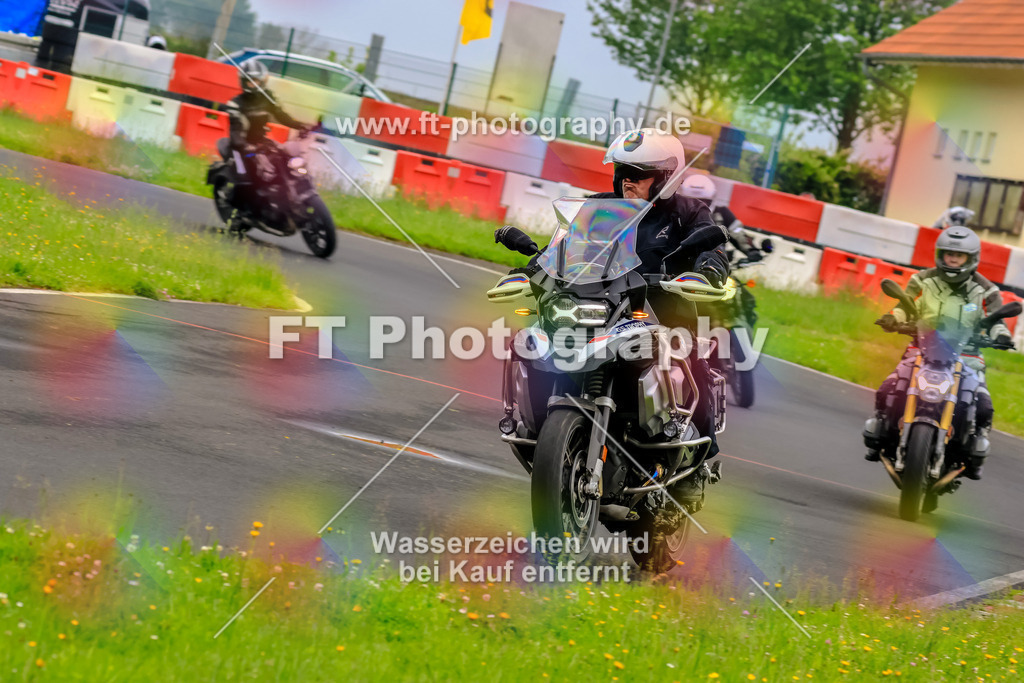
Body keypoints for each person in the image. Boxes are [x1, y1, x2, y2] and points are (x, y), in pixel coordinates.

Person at [863, 226, 1012, 480]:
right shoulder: (923, 280)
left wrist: (1001, 335)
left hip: (967, 356)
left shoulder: (986, 290)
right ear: (939, 254)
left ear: (971, 258)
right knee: (888, 387)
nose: (953, 259)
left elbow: (996, 319)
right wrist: (892, 317)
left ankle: (976, 452)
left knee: (984, 405)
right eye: (948, 253)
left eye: (959, 255)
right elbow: (905, 305)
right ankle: (879, 433)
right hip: (922, 347)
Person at [224, 59, 308, 219]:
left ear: (262, 81)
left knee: (285, 158)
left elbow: (282, 116)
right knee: (244, 177)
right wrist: (244, 146)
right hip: (241, 146)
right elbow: (235, 131)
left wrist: (300, 126)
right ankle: (241, 212)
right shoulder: (235, 104)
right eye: (248, 81)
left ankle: (286, 197)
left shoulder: (267, 97)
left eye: (255, 81)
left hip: (262, 142)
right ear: (242, 81)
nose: (252, 84)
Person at [679, 174, 762, 324]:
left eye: (704, 201)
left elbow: (738, 233)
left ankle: (743, 344)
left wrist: (751, 250)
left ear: (712, 199)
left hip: (719, 268)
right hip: (684, 270)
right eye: (691, 200)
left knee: (747, 300)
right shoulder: (676, 215)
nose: (698, 204)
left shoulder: (722, 213)